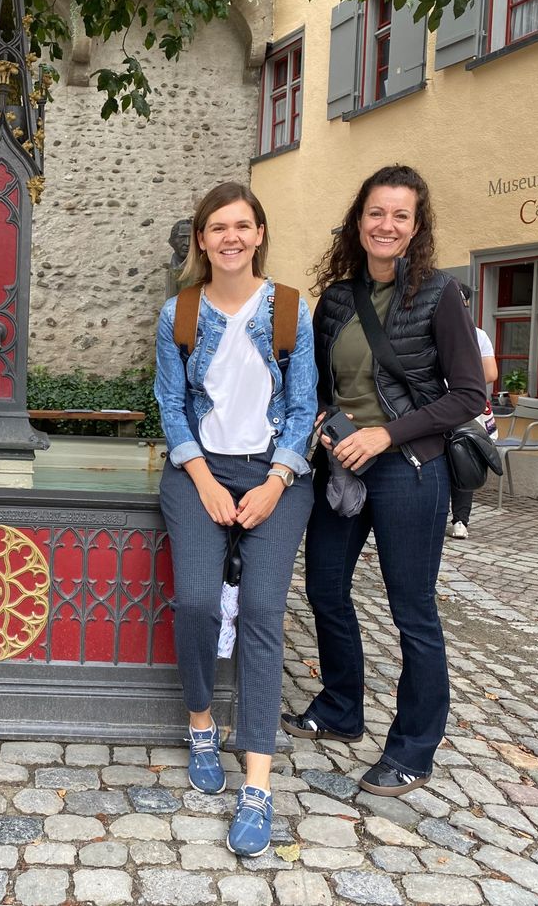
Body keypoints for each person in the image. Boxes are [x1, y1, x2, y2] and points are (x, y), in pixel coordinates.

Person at [281, 164, 486, 796]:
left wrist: (386, 435)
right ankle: (342, 707)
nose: (386, 225)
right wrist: (322, 425)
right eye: (376, 213)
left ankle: (414, 749)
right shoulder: (338, 299)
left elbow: (469, 396)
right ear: (358, 220)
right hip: (342, 464)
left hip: (410, 468)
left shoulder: (440, 293)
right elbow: (319, 385)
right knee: (324, 589)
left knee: (412, 609)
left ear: (416, 225)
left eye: (400, 215)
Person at [154, 182, 317, 857]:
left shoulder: (288, 310)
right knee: (195, 601)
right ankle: (199, 721)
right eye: (217, 227)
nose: (230, 237)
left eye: (242, 226)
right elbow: (170, 405)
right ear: (202, 238)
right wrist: (204, 480)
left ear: (258, 234)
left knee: (260, 611)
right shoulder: (179, 313)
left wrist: (278, 480)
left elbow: (305, 409)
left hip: (275, 472)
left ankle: (257, 782)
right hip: (198, 471)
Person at [449, 284, 499, 540]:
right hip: (430, 405)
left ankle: (460, 519)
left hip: (464, 405)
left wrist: (460, 378)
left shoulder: (477, 335)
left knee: (463, 457)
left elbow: (491, 373)